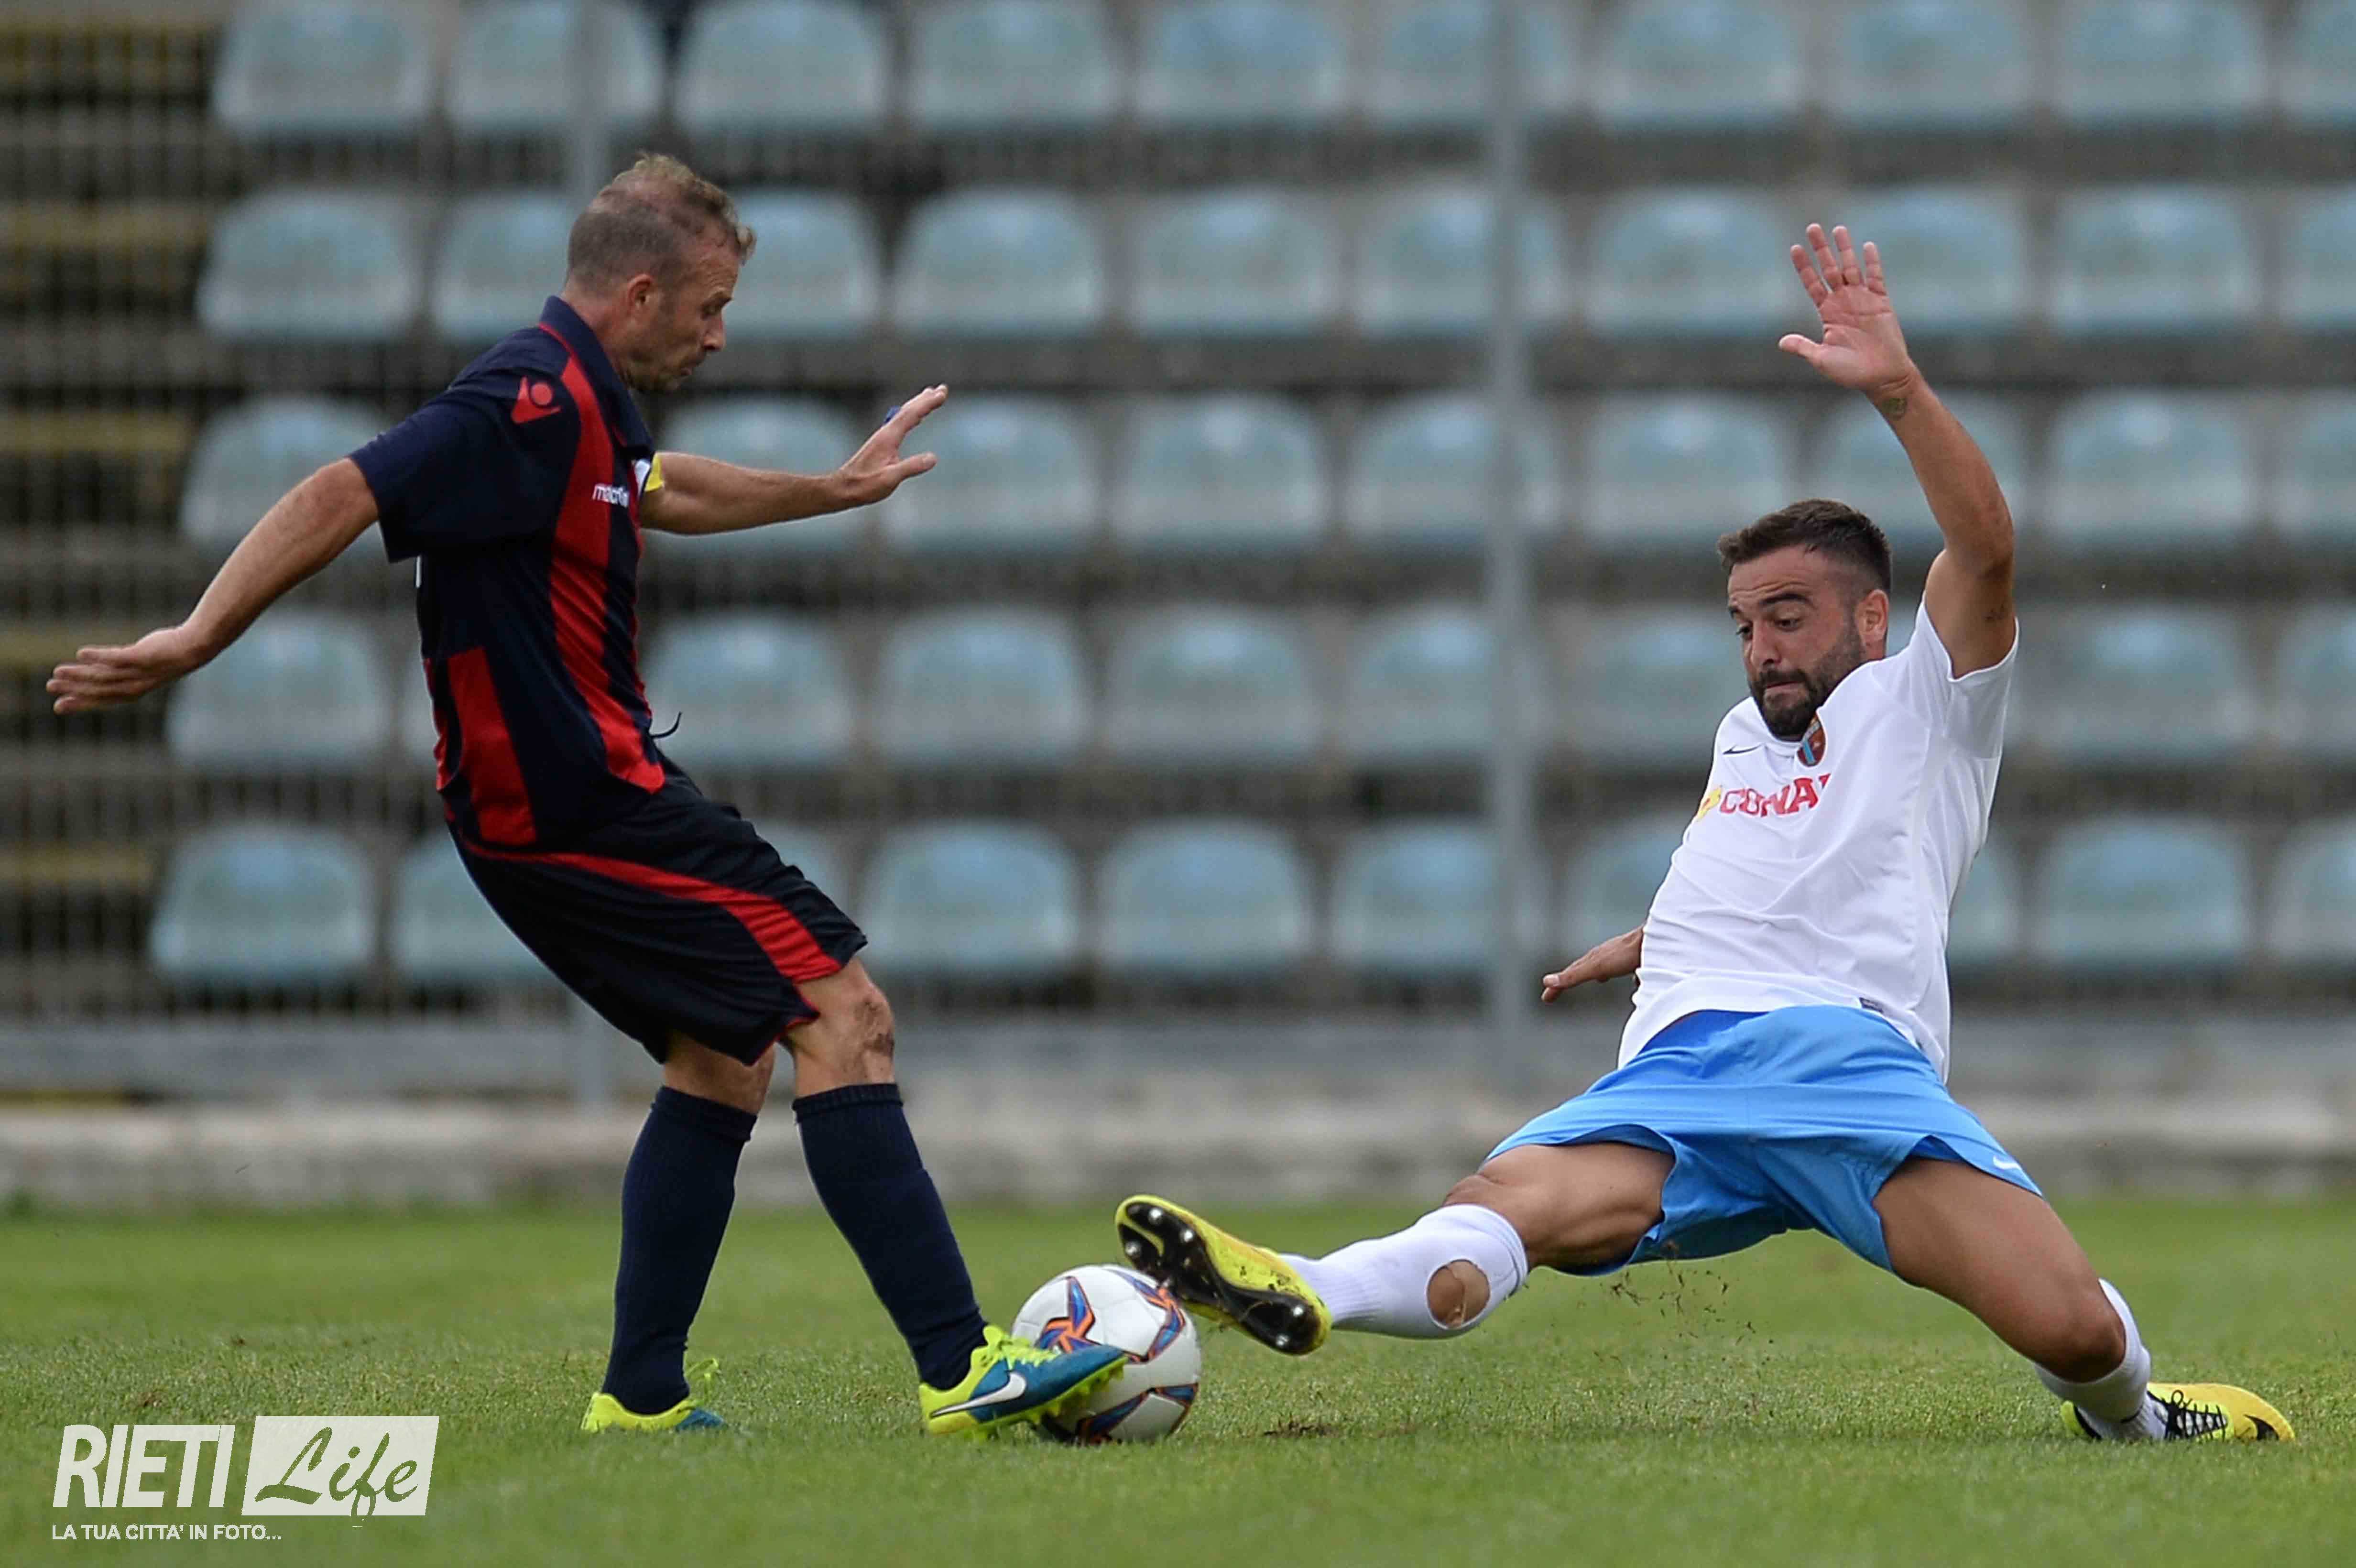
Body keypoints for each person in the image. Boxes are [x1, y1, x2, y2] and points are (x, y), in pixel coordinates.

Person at [1112, 223, 2292, 1445]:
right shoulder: (1741, 736)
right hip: (1681, 1066)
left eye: (1787, 616)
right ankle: (1307, 1282)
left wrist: (1897, 389)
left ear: (1872, 617)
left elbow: (1986, 546)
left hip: (1846, 1070)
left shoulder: (1930, 697)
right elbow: (1771, 862)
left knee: (2078, 1334)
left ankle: (2133, 1419)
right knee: (1495, 1212)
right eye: (1743, 624)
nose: (1761, 648)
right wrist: (1653, 935)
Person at [48, 153, 1123, 1439]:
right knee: (847, 1012)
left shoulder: (590, 405)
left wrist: (829, 490)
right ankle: (962, 1365)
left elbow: (662, 488)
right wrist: (195, 637)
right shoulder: (525, 396)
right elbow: (345, 488)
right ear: (642, 293)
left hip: (564, 802)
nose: (720, 336)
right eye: (711, 308)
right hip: (572, 806)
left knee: (722, 1055)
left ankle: (643, 1395)